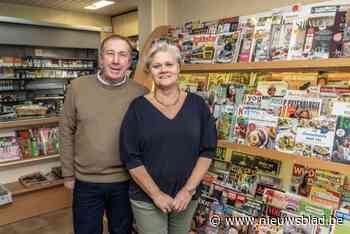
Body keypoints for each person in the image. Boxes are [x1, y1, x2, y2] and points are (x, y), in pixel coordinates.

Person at [119, 42, 217, 234]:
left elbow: (208, 150)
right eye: (157, 66)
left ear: (179, 67)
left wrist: (188, 190)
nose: (163, 70)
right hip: (147, 198)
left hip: (186, 198)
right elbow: (130, 157)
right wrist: (156, 194)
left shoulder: (197, 105)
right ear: (150, 71)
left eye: (169, 64)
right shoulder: (137, 108)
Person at [59, 34, 148, 234]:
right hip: (85, 182)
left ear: (129, 61)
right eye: (110, 53)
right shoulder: (77, 87)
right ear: (101, 58)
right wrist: (68, 174)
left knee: (122, 231)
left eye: (122, 55)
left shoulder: (141, 93)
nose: (116, 60)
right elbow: (65, 130)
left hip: (126, 182)